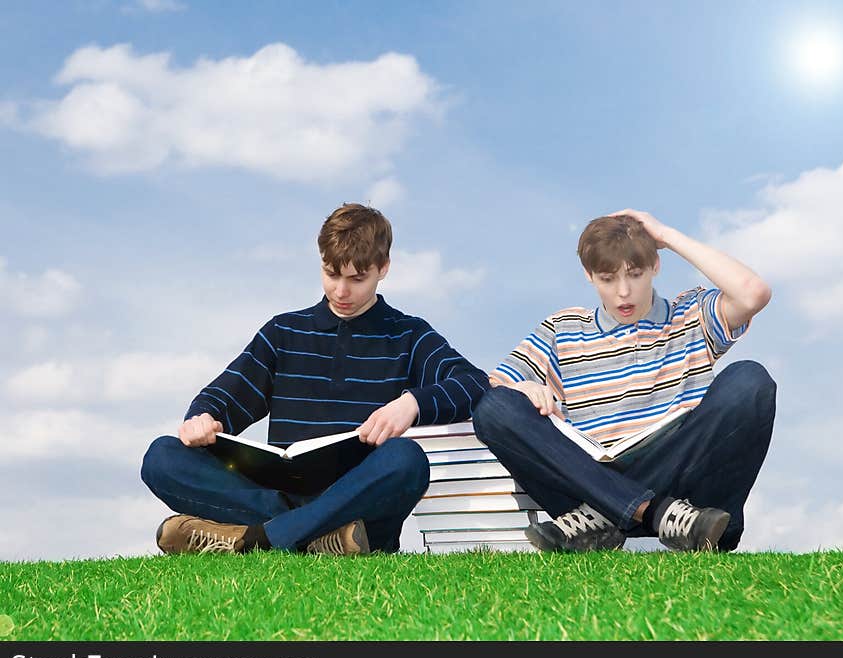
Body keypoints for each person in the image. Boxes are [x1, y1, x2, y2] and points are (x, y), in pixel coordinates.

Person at [141, 203, 489, 556]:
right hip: (279, 491)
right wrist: (201, 418)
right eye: (331, 274)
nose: (341, 291)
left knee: (407, 460)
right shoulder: (283, 331)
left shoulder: (409, 335)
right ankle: (319, 538)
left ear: (383, 268)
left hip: (358, 495)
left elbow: (474, 383)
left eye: (357, 279)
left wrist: (411, 404)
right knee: (161, 456)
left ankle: (255, 539)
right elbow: (223, 397)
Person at [472, 209, 776, 553]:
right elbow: (491, 387)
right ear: (589, 276)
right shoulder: (563, 329)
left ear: (655, 266)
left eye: (635, 274)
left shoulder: (690, 314)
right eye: (608, 279)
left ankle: (614, 513)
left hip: (682, 490)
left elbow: (753, 293)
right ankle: (653, 511)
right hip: (589, 483)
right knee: (494, 408)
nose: (623, 293)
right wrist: (523, 387)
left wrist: (666, 236)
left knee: (750, 380)